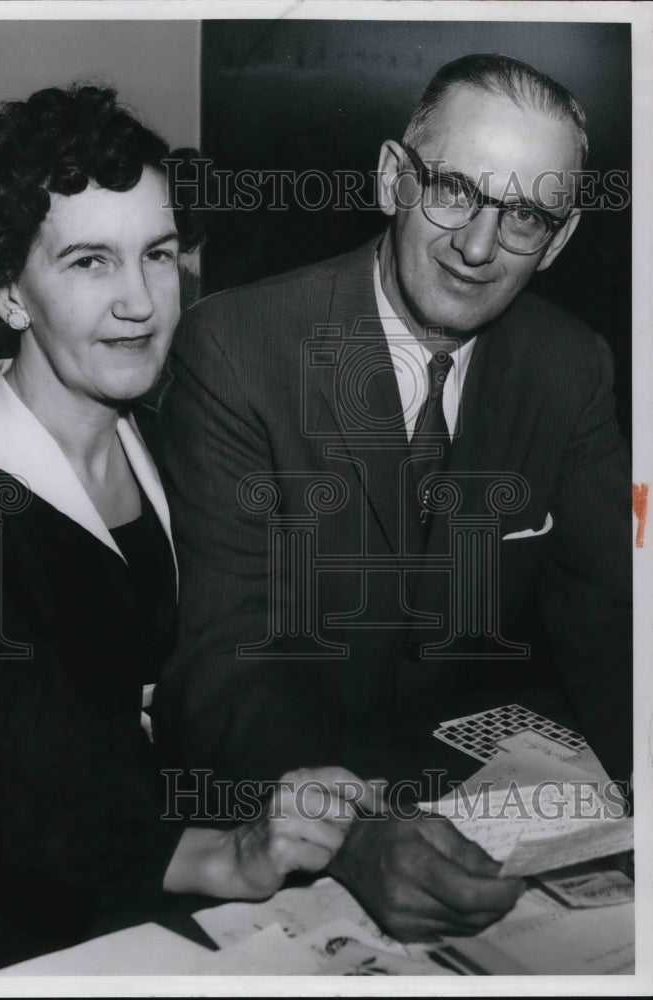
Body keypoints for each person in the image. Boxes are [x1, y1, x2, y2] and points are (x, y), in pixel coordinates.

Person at [153, 53, 632, 942]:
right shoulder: (236, 348)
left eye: (524, 214)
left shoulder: (573, 367)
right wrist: (353, 832)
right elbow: (221, 667)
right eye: (454, 189)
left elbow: (616, 631)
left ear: (559, 240)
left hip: (486, 827)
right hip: (281, 831)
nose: (479, 246)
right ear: (392, 179)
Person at [0, 84, 372, 977]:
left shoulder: (164, 440)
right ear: (10, 291)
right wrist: (222, 854)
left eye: (157, 254)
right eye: (90, 262)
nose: (140, 302)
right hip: (11, 946)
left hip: (167, 901)